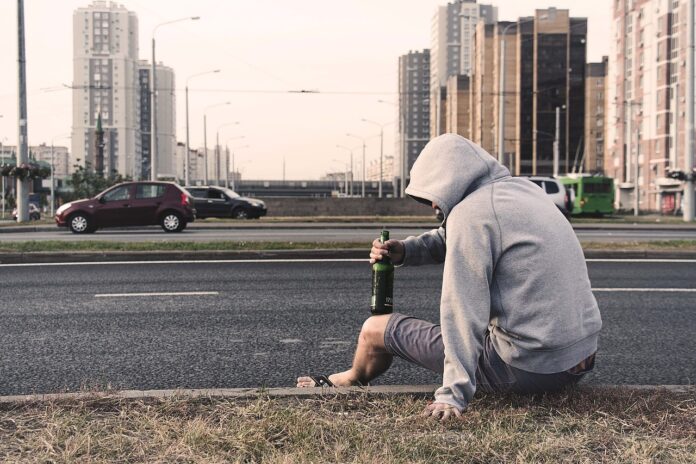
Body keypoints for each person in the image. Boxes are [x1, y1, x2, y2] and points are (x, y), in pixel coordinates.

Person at [297, 134, 602, 421]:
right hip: (580, 359)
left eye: (435, 193)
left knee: (375, 329)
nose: (433, 205)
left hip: (531, 369)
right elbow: (451, 236)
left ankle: (347, 379)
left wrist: (453, 395)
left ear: (451, 182)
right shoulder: (523, 191)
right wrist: (405, 250)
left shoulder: (472, 215)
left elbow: (462, 310)